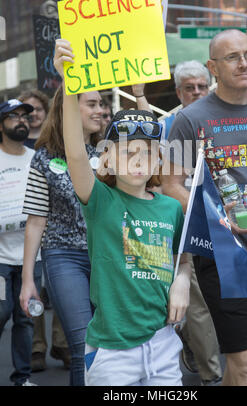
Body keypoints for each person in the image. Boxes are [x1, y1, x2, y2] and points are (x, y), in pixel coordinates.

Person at [162, 29, 247, 386]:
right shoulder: (188, 120)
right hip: (221, 257)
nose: (243, 63)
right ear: (213, 68)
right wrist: (217, 216)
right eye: (232, 58)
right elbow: (170, 186)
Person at [55, 38, 191, 386]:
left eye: (146, 152)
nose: (136, 160)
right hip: (113, 353)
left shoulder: (171, 208)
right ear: (108, 159)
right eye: (126, 151)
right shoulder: (101, 201)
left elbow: (183, 256)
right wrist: (70, 85)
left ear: (158, 160)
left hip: (163, 344)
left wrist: (182, 280)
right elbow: (73, 154)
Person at [19, 86, 103, 386]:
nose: (100, 110)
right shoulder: (43, 159)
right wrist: (28, 280)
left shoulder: (109, 154)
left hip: (106, 258)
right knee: (83, 347)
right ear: (68, 108)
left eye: (101, 104)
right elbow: (36, 220)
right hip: (63, 257)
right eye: (91, 103)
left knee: (107, 348)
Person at [160, 60, 222, 384]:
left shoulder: (222, 119)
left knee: (223, 298)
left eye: (201, 86)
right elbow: (163, 182)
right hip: (188, 224)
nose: (196, 92)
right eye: (189, 88)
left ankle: (191, 341)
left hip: (231, 225)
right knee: (199, 302)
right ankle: (213, 376)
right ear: (178, 92)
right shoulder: (169, 126)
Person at [18, 89, 71, 372]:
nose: (32, 114)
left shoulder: (57, 144)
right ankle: (36, 347)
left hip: (59, 226)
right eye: (26, 110)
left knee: (63, 289)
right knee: (34, 287)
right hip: (27, 224)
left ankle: (63, 344)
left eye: (37, 108)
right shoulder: (14, 143)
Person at [0, 99, 41, 386]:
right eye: (13, 116)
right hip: (0, 259)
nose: (21, 120)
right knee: (0, 314)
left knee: (26, 320)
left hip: (32, 257)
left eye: (25, 115)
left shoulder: (38, 158)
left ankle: (22, 378)